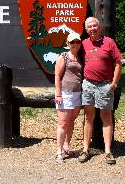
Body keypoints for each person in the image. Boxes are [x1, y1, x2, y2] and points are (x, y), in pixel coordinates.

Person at [78, 17, 122, 165]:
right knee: (88, 117)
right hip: (88, 84)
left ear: (99, 27)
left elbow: (118, 63)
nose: (92, 29)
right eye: (89, 27)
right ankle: (85, 149)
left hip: (105, 85)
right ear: (86, 29)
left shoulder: (109, 42)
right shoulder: (83, 44)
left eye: (94, 26)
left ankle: (108, 151)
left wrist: (114, 83)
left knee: (106, 117)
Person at [54, 32, 83, 164]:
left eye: (77, 42)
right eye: (72, 42)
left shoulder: (81, 57)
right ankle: (59, 152)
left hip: (78, 94)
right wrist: (58, 94)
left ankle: (67, 144)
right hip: (65, 93)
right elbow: (57, 76)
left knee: (71, 121)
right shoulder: (64, 57)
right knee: (63, 123)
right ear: (68, 44)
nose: (75, 44)